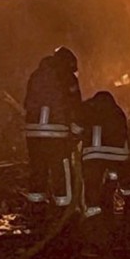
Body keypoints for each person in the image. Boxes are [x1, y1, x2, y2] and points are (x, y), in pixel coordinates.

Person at [23, 47, 82, 208]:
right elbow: (75, 106)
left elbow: (27, 102)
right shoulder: (67, 77)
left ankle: (36, 207)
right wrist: (77, 131)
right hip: (57, 132)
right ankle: (65, 209)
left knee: (38, 168)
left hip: (33, 132)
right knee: (60, 169)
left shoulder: (36, 75)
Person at [79, 90, 130, 218]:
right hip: (118, 155)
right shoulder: (117, 112)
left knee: (92, 182)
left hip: (93, 155)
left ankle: (93, 210)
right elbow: (125, 133)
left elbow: (78, 128)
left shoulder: (89, 112)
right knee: (125, 181)